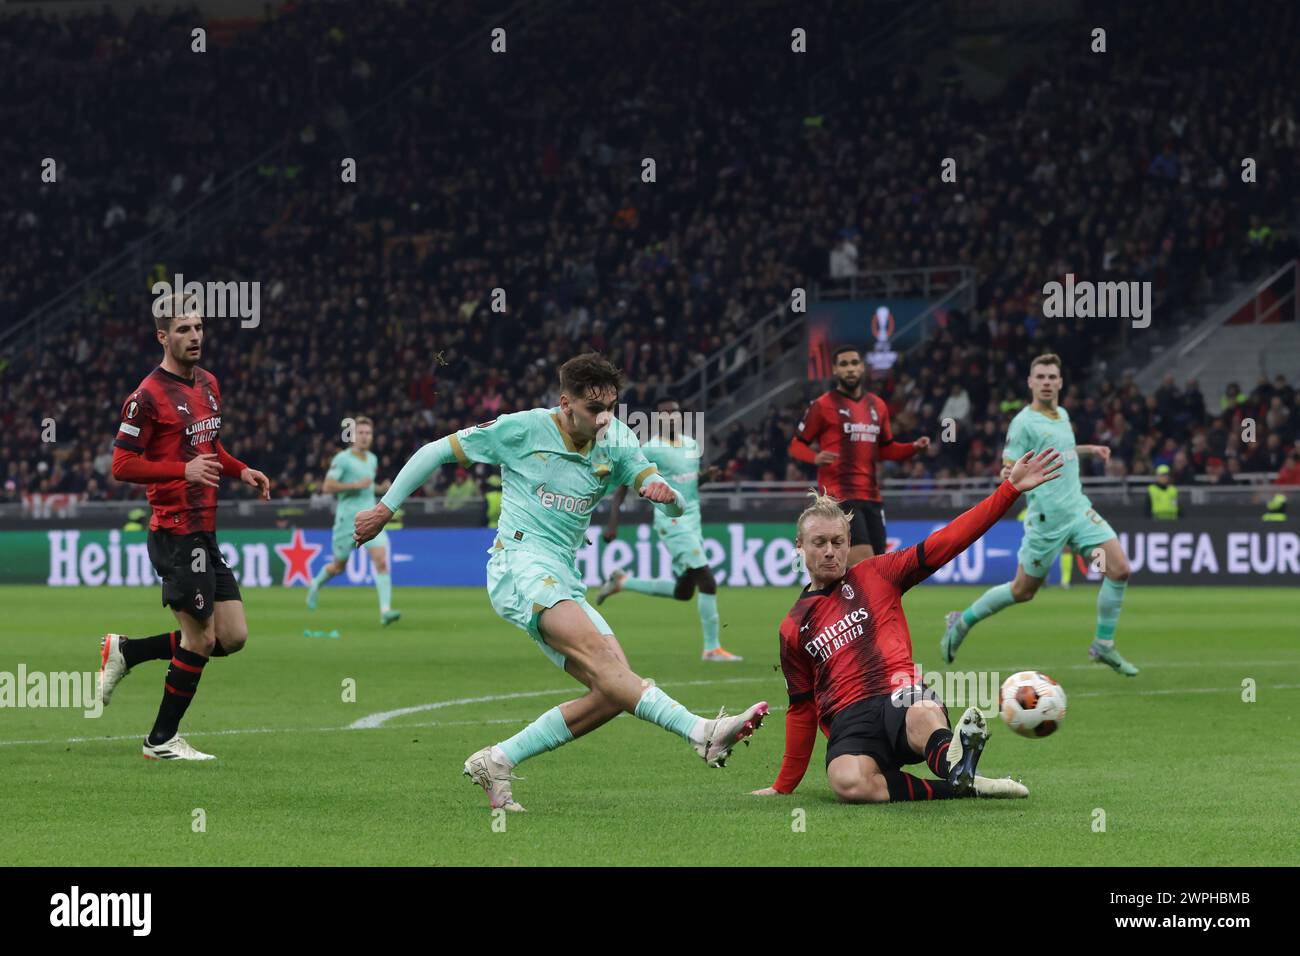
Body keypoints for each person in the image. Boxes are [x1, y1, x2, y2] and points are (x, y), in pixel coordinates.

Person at [352, 353, 768, 811]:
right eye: (595, 408)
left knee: (615, 690)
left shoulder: (618, 439)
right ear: (565, 402)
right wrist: (385, 508)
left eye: (612, 405)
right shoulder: (522, 429)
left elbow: (667, 499)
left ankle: (497, 759)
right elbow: (435, 450)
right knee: (614, 675)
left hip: (564, 575)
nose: (605, 416)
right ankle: (701, 732)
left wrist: (664, 498)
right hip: (519, 564)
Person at [751, 448, 1063, 803]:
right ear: (800, 546)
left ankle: (952, 759)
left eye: (838, 542)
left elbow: (947, 542)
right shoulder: (793, 626)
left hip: (900, 694)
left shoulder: (879, 572)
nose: (829, 551)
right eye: (819, 543)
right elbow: (802, 708)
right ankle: (962, 783)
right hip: (849, 720)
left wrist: (1009, 489)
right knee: (847, 782)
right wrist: (783, 785)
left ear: (849, 543)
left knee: (921, 711)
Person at [99, 295, 271, 760]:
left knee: (231, 636)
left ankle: (128, 652)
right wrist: (183, 471)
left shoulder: (210, 384)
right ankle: (160, 741)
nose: (194, 336)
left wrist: (240, 470)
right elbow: (121, 464)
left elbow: (210, 447)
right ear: (162, 337)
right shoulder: (146, 397)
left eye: (198, 327)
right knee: (201, 639)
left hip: (205, 529)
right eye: (182, 329)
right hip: (175, 531)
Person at [941, 353, 1139, 676]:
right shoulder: (1022, 423)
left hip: (1078, 510)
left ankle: (1103, 645)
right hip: (1046, 520)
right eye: (1041, 377)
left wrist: (1090, 450)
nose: (1046, 382)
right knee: (1023, 591)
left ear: (1060, 382)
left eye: (1052, 377)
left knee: (1119, 569)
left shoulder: (1062, 414)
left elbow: (1061, 452)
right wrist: (1009, 472)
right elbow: (1008, 466)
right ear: (1030, 382)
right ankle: (961, 621)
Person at [597, 396, 742, 662]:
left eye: (674, 413)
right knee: (706, 579)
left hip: (693, 519)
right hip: (671, 521)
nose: (671, 418)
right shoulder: (649, 449)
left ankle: (623, 582)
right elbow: (621, 488)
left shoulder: (690, 444)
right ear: (657, 420)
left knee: (684, 591)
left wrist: (705, 478)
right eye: (664, 414)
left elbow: (687, 484)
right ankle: (712, 648)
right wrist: (613, 522)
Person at [788, 346, 930, 565]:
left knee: (880, 566)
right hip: (839, 496)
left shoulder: (878, 405)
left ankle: (838, 599)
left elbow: (885, 449)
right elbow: (796, 445)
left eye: (854, 363)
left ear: (862, 368)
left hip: (872, 497)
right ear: (835, 370)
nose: (850, 369)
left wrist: (913, 448)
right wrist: (814, 457)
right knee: (864, 563)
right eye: (844, 365)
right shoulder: (822, 405)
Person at [305, 415, 400, 625]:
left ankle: (385, 611)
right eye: (361, 433)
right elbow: (328, 486)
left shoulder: (373, 459)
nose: (365, 437)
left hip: (371, 519)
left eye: (368, 433)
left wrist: (380, 489)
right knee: (339, 567)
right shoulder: (342, 459)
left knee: (381, 561)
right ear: (352, 435)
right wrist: (355, 485)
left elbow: (367, 486)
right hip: (347, 521)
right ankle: (316, 584)